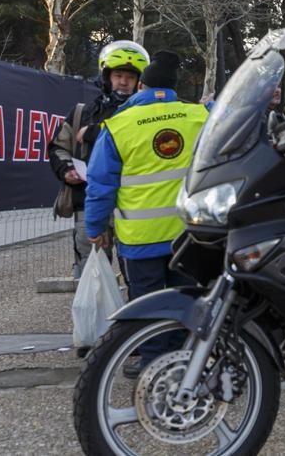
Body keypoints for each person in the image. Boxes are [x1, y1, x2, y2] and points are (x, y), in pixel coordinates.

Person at [83, 50, 209, 379]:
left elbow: (100, 185)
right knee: (185, 297)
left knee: (148, 302)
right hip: (188, 234)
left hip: (140, 238)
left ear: (141, 86)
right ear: (173, 89)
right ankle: (185, 362)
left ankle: (154, 364)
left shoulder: (119, 125)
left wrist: (95, 227)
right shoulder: (198, 117)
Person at [48, 40, 149, 279]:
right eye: (118, 75)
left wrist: (96, 131)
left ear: (139, 82)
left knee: (138, 272)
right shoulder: (82, 113)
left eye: (130, 77)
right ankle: (93, 316)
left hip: (133, 205)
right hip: (89, 202)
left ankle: (138, 315)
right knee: (91, 274)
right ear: (106, 77)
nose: (123, 82)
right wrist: (66, 169)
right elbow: (58, 147)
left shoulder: (146, 116)